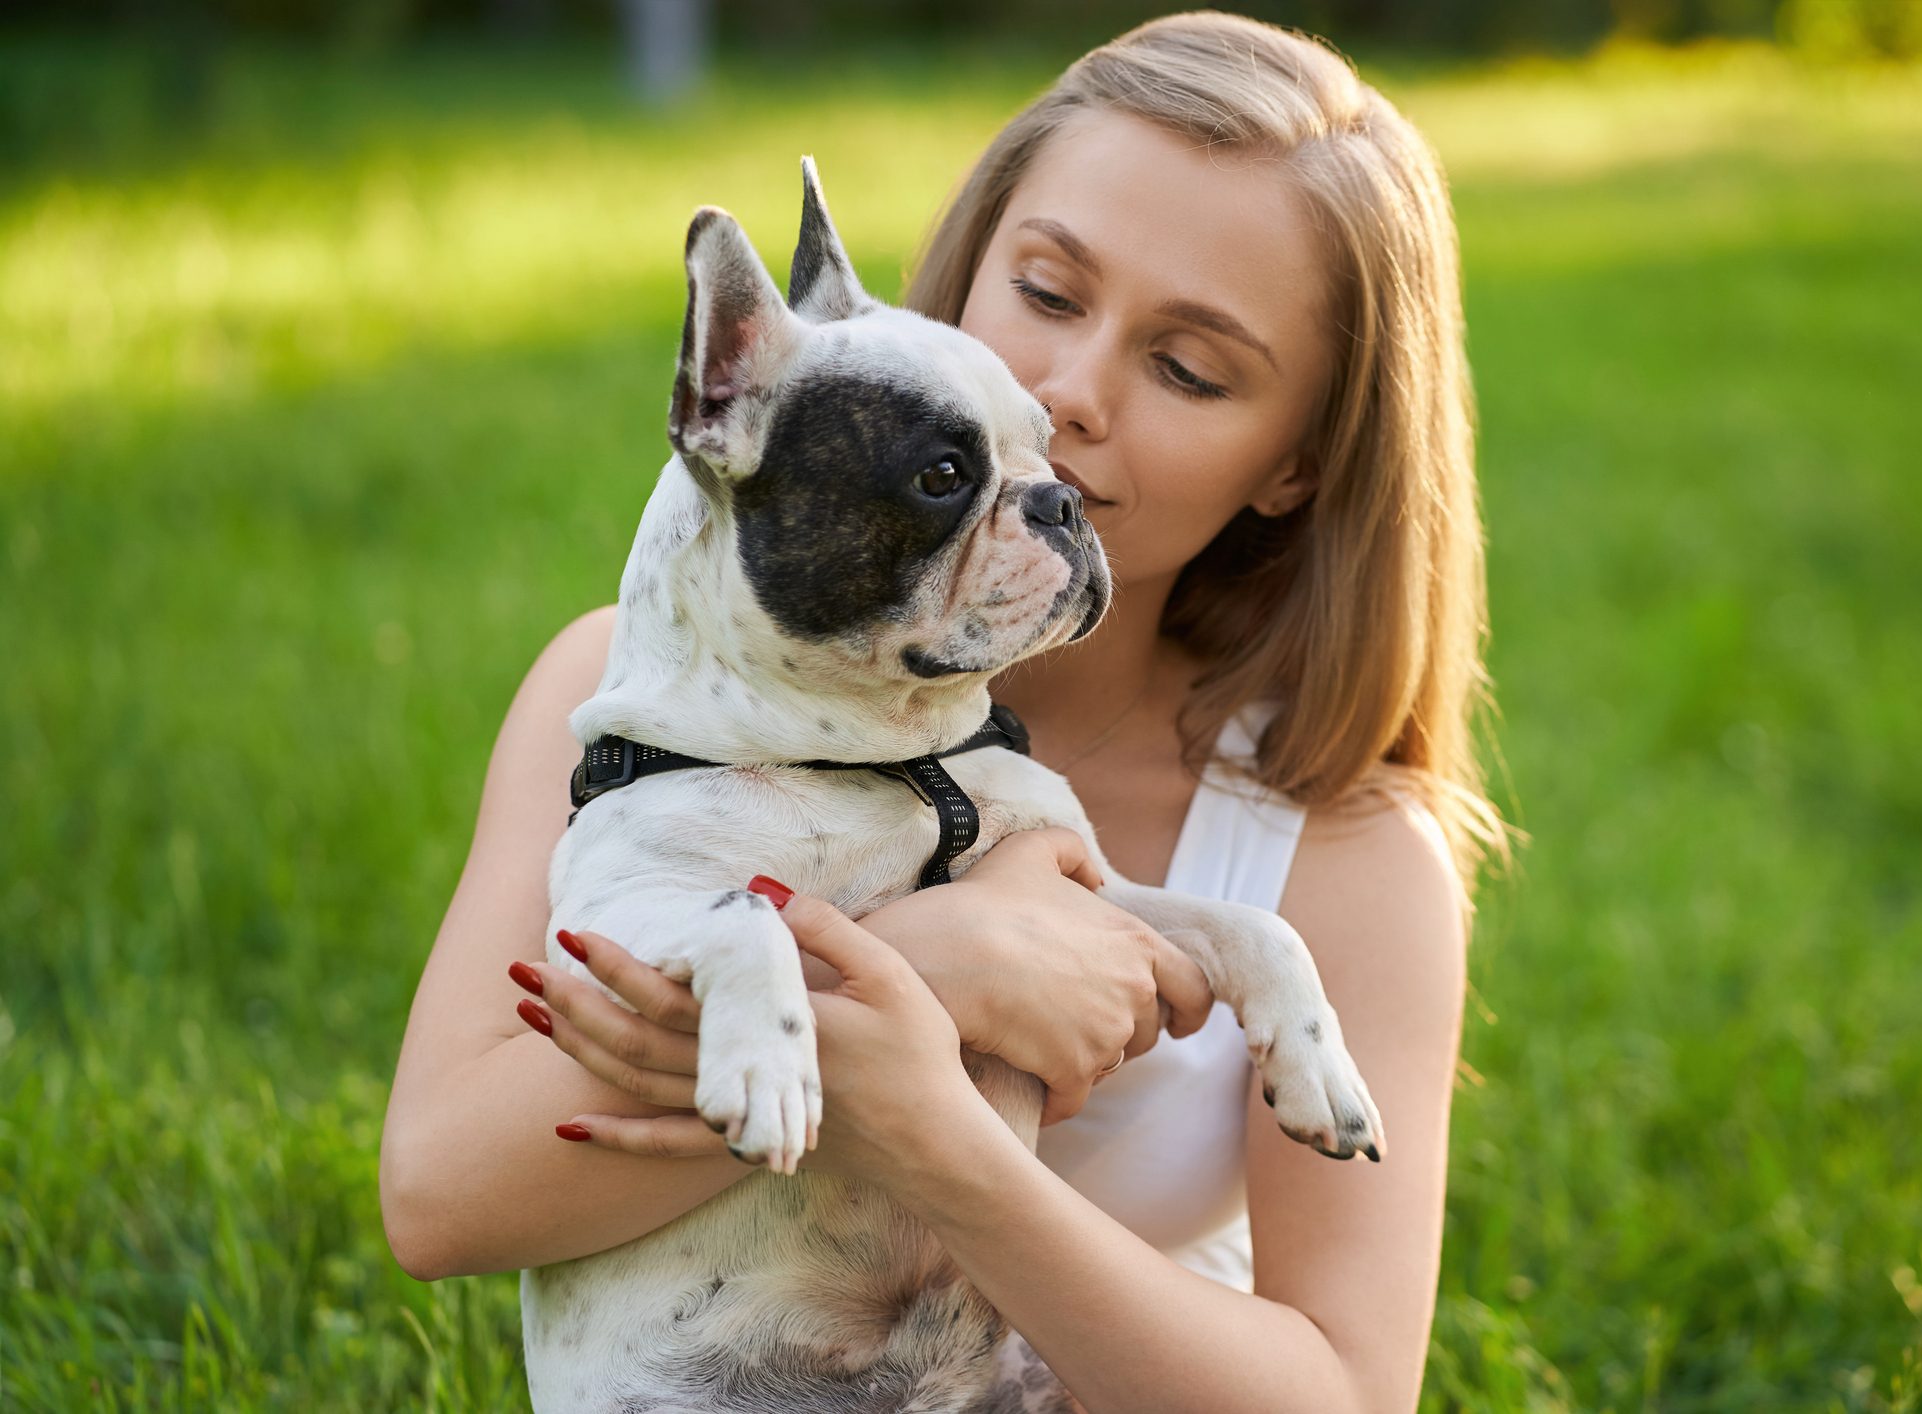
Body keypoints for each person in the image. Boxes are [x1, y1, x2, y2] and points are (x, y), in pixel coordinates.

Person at [380, 11, 1511, 1409]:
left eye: (1187, 369)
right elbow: (439, 1198)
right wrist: (940, 959)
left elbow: (1344, 1394)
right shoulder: (617, 706)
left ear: (1293, 464)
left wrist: (934, 1131)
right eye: (1045, 291)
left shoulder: (1334, 845)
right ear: (962, 266)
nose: (1072, 390)